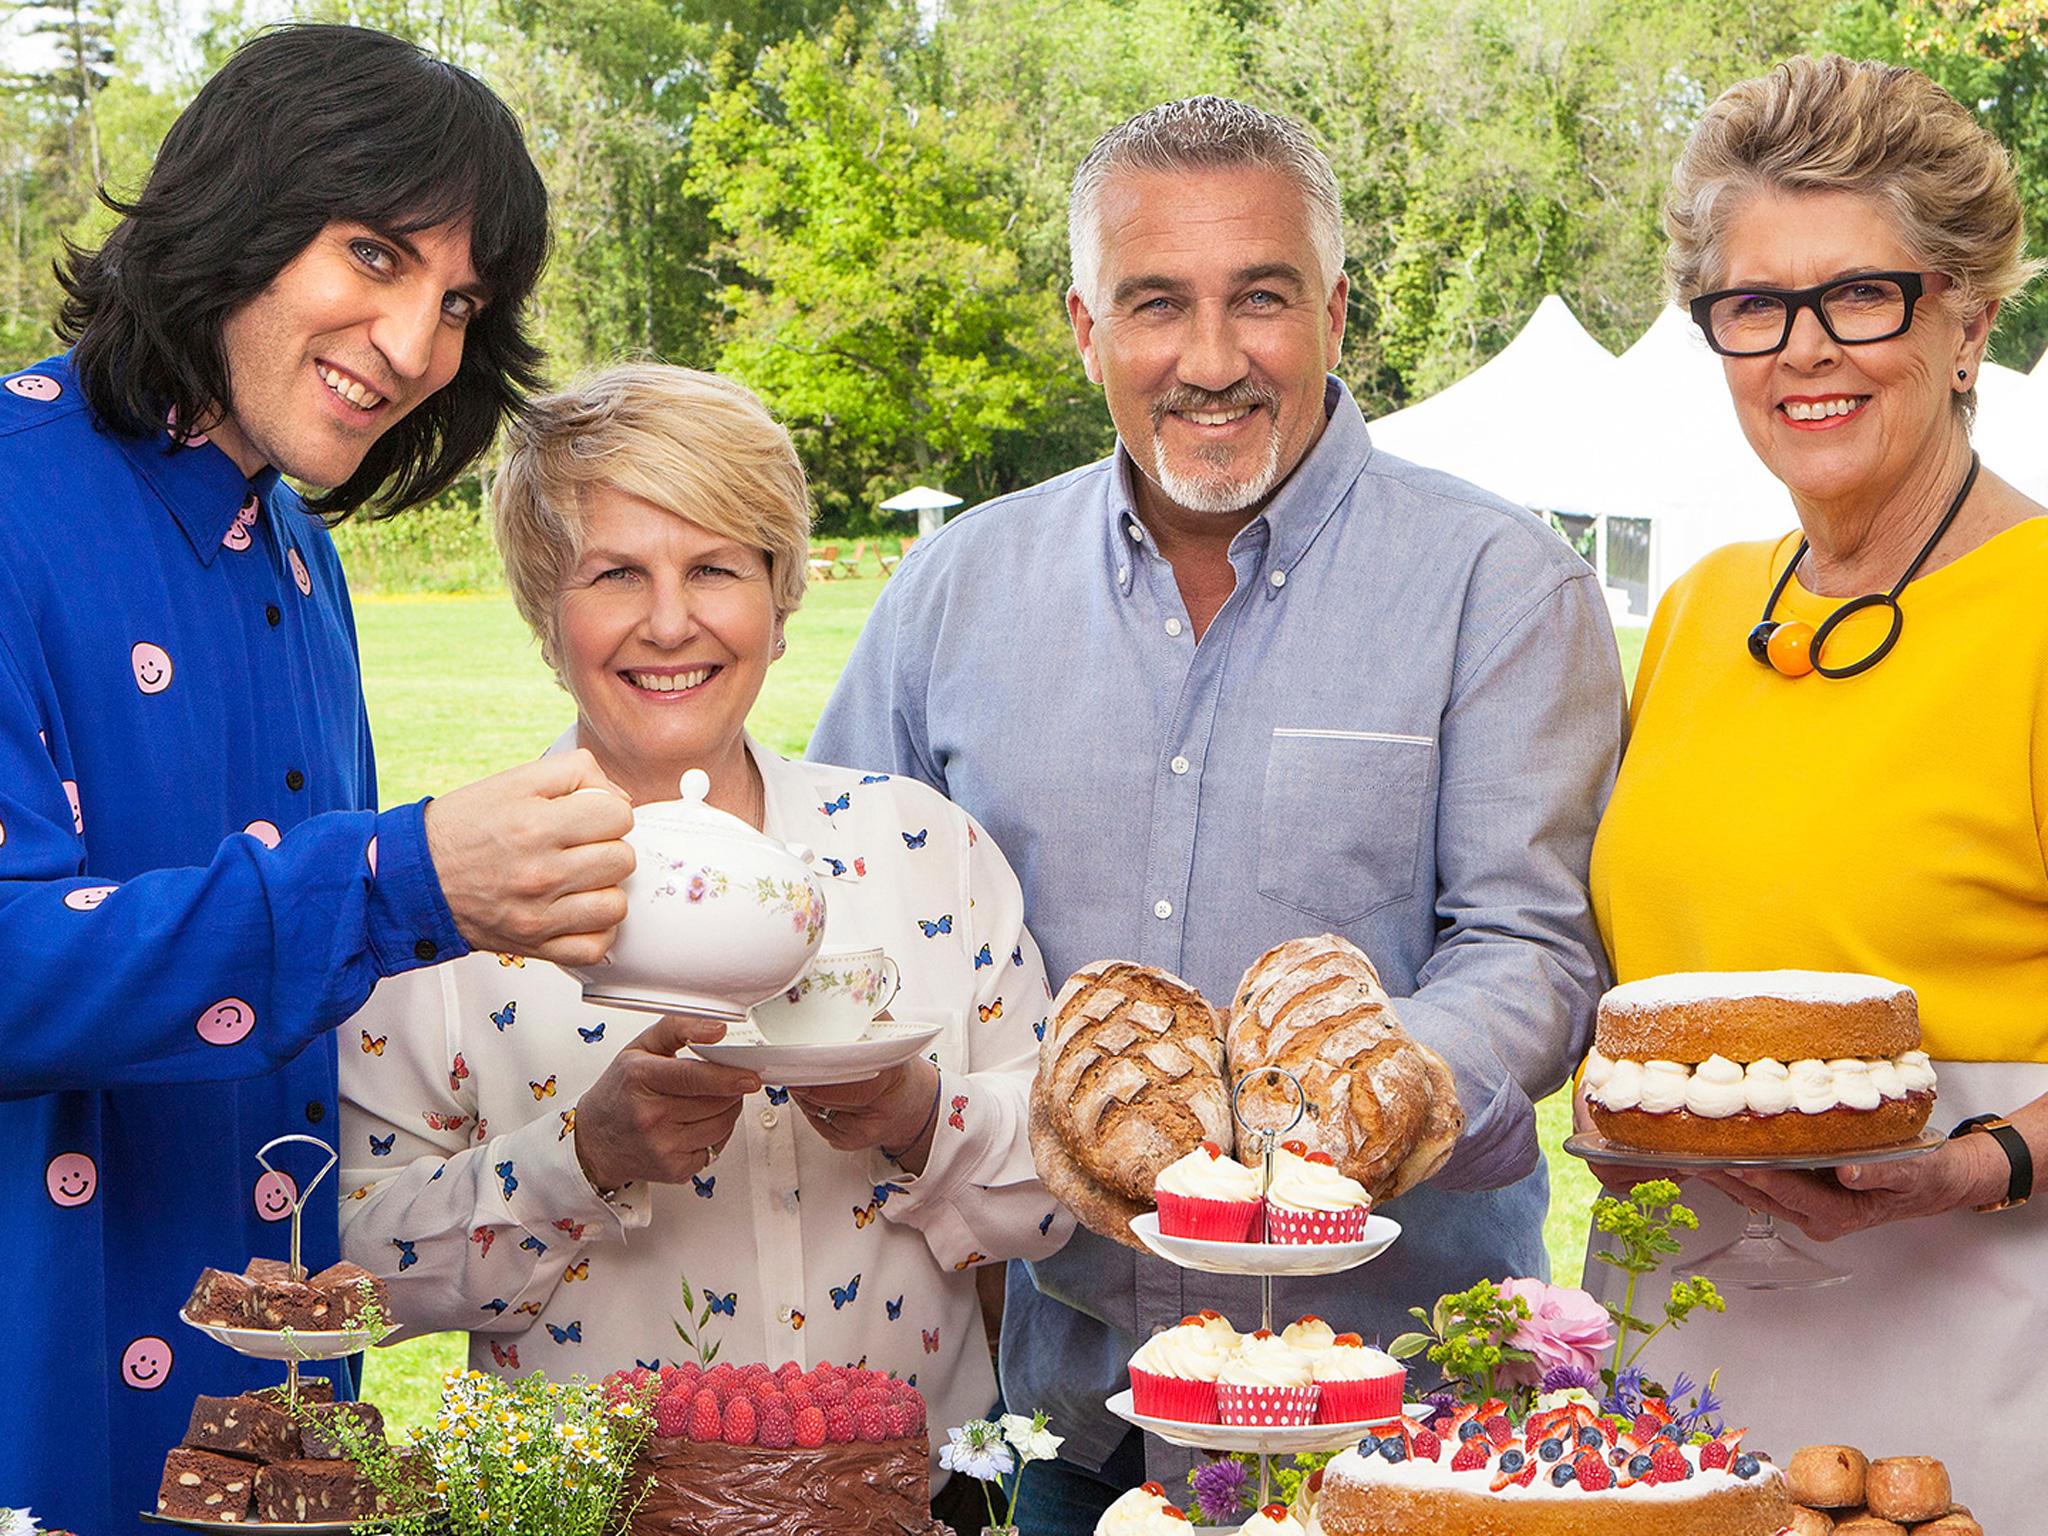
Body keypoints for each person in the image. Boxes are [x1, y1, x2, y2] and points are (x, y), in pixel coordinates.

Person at [810, 96, 1625, 1531]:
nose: (1210, 361)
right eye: (1154, 305)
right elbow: (850, 916)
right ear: (1084, 328)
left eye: (1261, 299)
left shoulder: (1500, 585)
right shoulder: (953, 594)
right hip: (1074, 1413)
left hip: (1400, 1425)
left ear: (1335, 311)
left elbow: (1537, 958)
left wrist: (1347, 1099)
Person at [0, 27, 638, 1531]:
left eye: (459, 302)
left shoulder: (303, 555)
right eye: (374, 254)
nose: (418, 345)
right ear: (234, 207)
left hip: (277, 1431)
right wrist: (395, 876)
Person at [339, 364, 1072, 1520]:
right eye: (616, 573)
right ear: (544, 611)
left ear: (781, 605)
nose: (670, 621)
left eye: (717, 568)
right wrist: (580, 1157)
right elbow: (358, 1269)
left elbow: (1061, 1188)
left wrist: (919, 1116)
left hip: (906, 1502)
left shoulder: (922, 849)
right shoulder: (449, 898)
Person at [1580, 55, 2046, 1530]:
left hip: (1963, 1355)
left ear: (1968, 318)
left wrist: (1980, 1164)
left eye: (1862, 295)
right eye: (1754, 307)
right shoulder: (1704, 609)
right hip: (1668, 1359)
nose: (1803, 349)